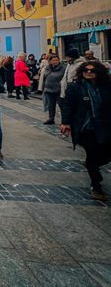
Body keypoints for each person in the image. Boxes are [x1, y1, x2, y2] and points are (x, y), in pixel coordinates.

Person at [61, 61, 111, 201]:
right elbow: (68, 106)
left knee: (106, 153)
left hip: (104, 125)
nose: (89, 72)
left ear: (99, 73)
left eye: (92, 70)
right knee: (93, 152)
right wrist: (65, 122)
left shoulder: (106, 87)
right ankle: (96, 185)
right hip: (85, 126)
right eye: (86, 70)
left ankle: (93, 167)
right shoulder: (75, 87)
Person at [42, 54, 66, 125]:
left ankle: (64, 121)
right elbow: (45, 76)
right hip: (49, 89)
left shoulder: (62, 68)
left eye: (57, 60)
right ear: (50, 61)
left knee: (62, 106)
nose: (55, 61)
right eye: (53, 60)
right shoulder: (48, 68)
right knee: (51, 105)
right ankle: (51, 119)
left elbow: (62, 77)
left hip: (59, 90)